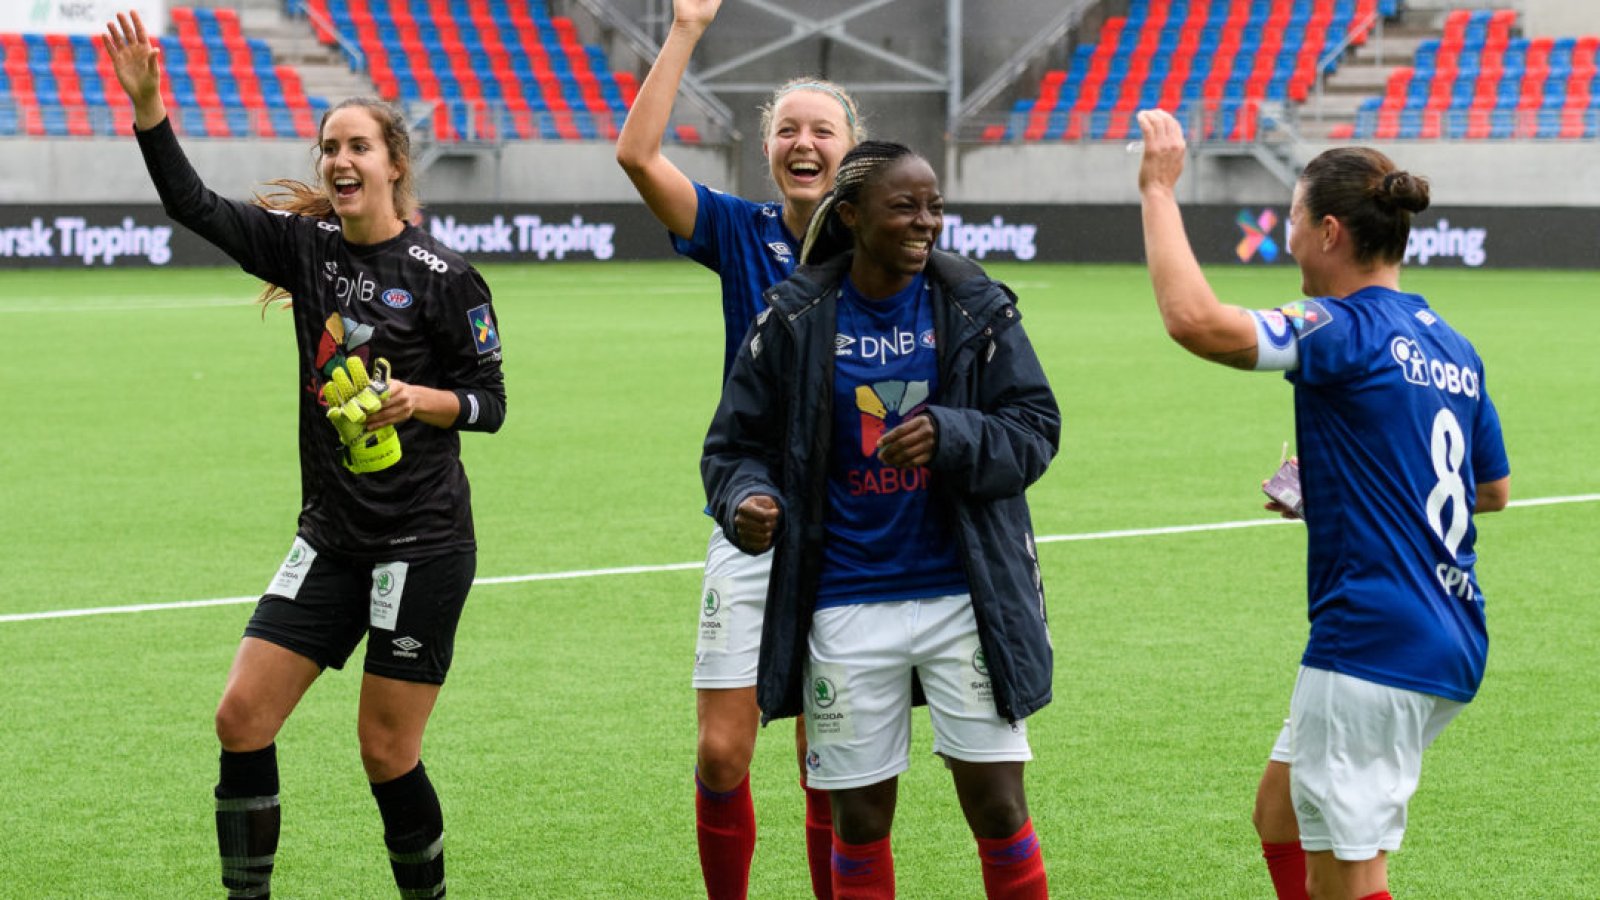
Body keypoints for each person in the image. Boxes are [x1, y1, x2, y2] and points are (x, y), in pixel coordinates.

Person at [104, 11, 506, 899]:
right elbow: (191, 205)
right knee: (241, 716)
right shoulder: (305, 248)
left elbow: (491, 404)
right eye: (330, 147)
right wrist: (148, 109)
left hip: (422, 544)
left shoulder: (448, 279)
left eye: (358, 145)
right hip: (330, 539)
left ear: (394, 163)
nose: (339, 160)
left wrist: (422, 400)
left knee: (385, 749)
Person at [1134, 108, 1510, 900]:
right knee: (1280, 814)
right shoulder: (1450, 344)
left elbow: (1197, 323)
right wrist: (1348, 482)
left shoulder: (1342, 325)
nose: (1287, 239)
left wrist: (1158, 190)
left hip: (1375, 641)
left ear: (1331, 231)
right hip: (1451, 630)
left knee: (1349, 870)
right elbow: (1490, 490)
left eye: (1293, 221)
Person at [702, 141, 1059, 899]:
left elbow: (1035, 427)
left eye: (934, 204)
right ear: (853, 215)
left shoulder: (973, 302)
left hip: (965, 597)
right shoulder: (797, 314)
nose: (926, 221)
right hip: (846, 598)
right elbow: (734, 447)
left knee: (998, 808)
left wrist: (955, 435)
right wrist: (745, 501)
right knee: (859, 821)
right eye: (906, 206)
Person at [614, 2, 864, 896]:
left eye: (822, 130)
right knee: (723, 753)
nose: (804, 143)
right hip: (750, 516)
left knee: (828, 762)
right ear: (767, 150)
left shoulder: (880, 247)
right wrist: (684, 30)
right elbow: (638, 157)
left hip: (852, 527)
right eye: (788, 129)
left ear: (851, 150)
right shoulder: (736, 229)